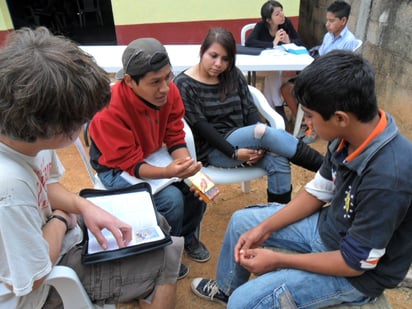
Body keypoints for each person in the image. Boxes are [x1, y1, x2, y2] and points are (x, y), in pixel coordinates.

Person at [190, 50, 412, 308]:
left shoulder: (389, 178)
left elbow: (354, 264)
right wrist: (263, 228)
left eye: (309, 116)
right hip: (329, 229)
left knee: (243, 303)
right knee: (243, 222)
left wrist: (277, 259)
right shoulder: (348, 135)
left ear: (340, 118)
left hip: (357, 276)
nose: (307, 124)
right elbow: (318, 192)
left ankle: (236, 296)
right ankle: (227, 289)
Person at [0, 27, 184, 309]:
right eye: (80, 119)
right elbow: (32, 278)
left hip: (54, 235)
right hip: (40, 289)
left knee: (155, 225)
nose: (86, 125)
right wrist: (62, 216)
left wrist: (82, 207)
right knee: (168, 253)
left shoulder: (27, 136)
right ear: (48, 123)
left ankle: (133, 289)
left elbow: (47, 186)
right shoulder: (8, 187)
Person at [88, 37, 210, 278]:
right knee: (172, 199)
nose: (165, 88)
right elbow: (130, 163)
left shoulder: (167, 91)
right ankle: (164, 252)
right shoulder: (108, 111)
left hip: (149, 155)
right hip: (114, 168)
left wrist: (188, 168)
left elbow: (175, 132)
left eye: (168, 77)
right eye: (155, 82)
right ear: (130, 81)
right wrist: (170, 173)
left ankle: (185, 237)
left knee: (198, 187)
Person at [174, 28, 323, 204]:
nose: (218, 64)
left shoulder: (233, 75)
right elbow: (201, 127)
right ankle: (327, 167)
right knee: (262, 131)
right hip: (215, 151)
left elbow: (250, 109)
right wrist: (235, 153)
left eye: (225, 59)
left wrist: (260, 147)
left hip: (246, 141)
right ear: (202, 51)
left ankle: (278, 219)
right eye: (213, 56)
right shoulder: (184, 84)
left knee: (278, 160)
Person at [281, 0, 359, 144]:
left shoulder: (349, 41)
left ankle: (313, 128)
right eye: (327, 20)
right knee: (286, 88)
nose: (327, 24)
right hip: (318, 75)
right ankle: (305, 122)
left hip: (333, 81)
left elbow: (343, 69)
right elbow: (320, 57)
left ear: (343, 21)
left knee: (310, 94)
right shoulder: (328, 36)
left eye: (331, 21)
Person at [245, 0, 303, 123]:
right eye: (277, 14)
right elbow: (249, 42)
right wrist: (273, 43)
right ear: (268, 19)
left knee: (273, 74)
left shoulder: (286, 23)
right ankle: (278, 106)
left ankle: (272, 117)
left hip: (274, 68)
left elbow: (299, 41)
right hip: (259, 68)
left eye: (282, 11)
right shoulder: (261, 26)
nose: (282, 15)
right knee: (273, 73)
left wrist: (289, 41)